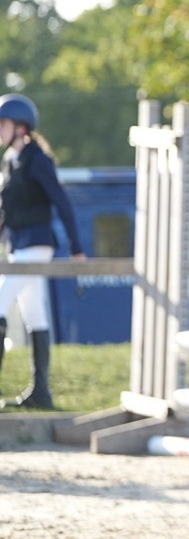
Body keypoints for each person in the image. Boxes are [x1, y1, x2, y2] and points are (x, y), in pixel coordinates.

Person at [0, 93, 85, 410]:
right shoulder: (12, 163)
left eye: (2, 124)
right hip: (18, 247)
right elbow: (5, 213)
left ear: (20, 126)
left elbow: (61, 202)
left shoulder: (37, 159)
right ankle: (41, 393)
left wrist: (77, 247)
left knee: (0, 304)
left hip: (36, 245)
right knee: (34, 314)